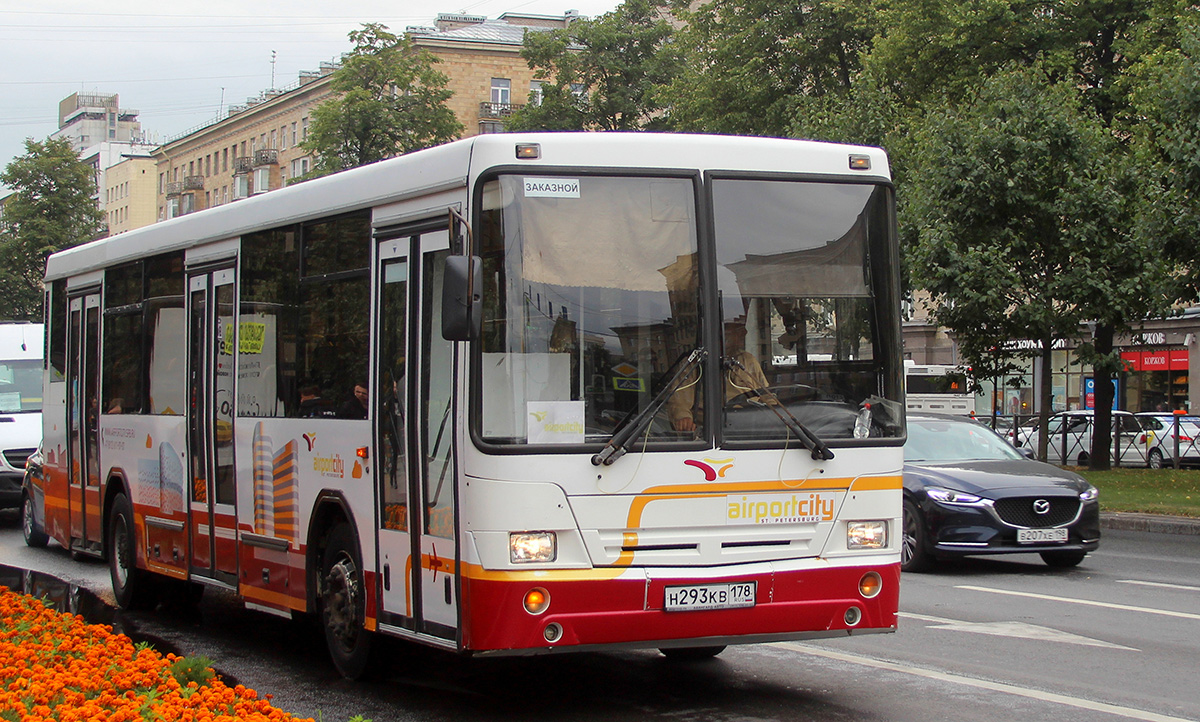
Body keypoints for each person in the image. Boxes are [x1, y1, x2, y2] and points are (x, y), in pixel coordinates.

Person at [667, 320, 769, 432]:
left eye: (741, 331)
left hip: (749, 430)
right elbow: (679, 400)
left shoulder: (748, 361)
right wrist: (683, 418)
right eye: (734, 332)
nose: (742, 335)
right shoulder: (694, 364)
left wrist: (773, 414)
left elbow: (766, 395)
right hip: (708, 432)